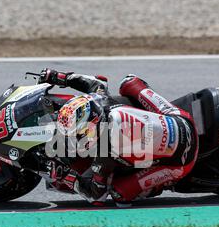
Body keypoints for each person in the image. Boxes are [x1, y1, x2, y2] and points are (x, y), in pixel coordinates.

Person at [38, 68, 198, 206]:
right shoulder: (103, 105)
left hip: (181, 162)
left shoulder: (104, 154)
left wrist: (65, 176)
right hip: (180, 118)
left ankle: (160, 185)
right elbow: (96, 83)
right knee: (129, 81)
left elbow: (96, 196)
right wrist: (62, 77)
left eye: (76, 134)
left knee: (119, 194)